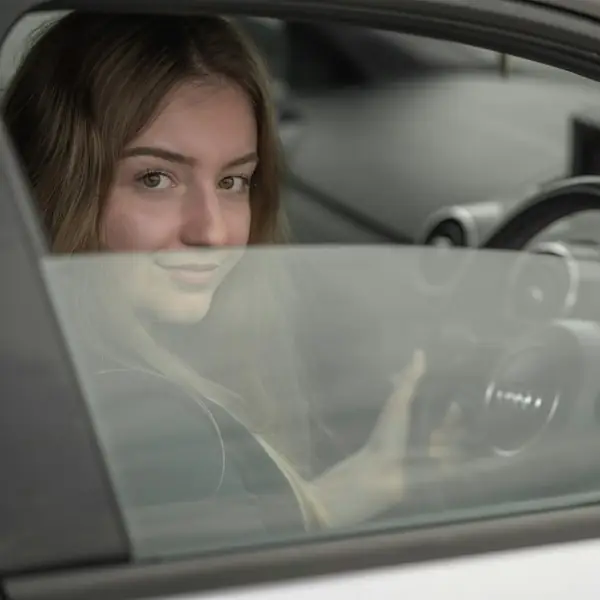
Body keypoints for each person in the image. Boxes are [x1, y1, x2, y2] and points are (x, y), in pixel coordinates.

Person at [2, 11, 457, 551]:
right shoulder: (151, 426)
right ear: (63, 182)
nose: (213, 231)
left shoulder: (61, 378)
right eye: (155, 178)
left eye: (233, 180)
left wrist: (370, 478)